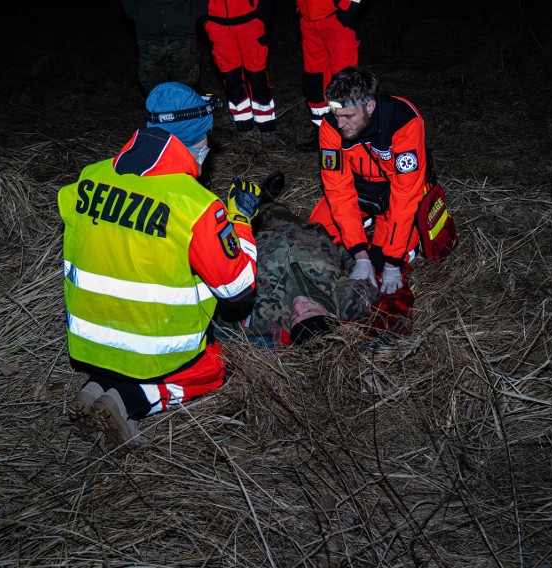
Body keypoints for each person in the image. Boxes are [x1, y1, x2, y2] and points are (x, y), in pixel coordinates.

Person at [59, 82, 264, 449]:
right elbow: (238, 287)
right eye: (205, 140)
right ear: (193, 140)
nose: (207, 149)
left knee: (119, 360)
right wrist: (241, 220)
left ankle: (93, 391)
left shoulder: (91, 176)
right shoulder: (195, 206)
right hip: (153, 344)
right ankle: (128, 403)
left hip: (91, 341)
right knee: (213, 368)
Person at [308, 66, 429, 295]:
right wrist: (358, 252)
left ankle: (390, 248)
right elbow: (337, 189)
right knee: (314, 238)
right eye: (336, 115)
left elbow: (406, 195)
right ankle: (361, 228)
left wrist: (393, 261)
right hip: (360, 187)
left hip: (397, 190)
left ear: (370, 106)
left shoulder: (402, 120)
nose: (341, 124)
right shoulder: (331, 126)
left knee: (384, 263)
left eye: (349, 116)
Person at [240, 201, 377, 346]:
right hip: (302, 234)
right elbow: (366, 274)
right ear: (332, 316)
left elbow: (229, 318)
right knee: (275, 209)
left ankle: (259, 201)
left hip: (256, 240)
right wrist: (348, 254)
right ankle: (265, 199)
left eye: (294, 318)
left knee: (248, 212)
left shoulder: (267, 316)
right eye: (309, 309)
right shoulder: (352, 299)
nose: (298, 307)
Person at [204, 0, 277, 146]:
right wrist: (204, 20)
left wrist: (262, 15)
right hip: (218, 27)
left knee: (257, 77)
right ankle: (244, 126)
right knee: (231, 78)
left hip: (250, 23)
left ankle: (267, 127)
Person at [295, 0, 363, 152]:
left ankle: (351, 137)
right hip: (309, 23)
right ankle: (323, 135)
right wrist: (300, 11)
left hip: (336, 21)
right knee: (314, 82)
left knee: (344, 82)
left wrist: (347, 10)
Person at [120, 0, 207, 96]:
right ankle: (158, 110)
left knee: (187, 86)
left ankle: (185, 110)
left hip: (183, 37)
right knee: (152, 87)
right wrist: (142, 17)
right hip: (150, 39)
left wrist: (190, 18)